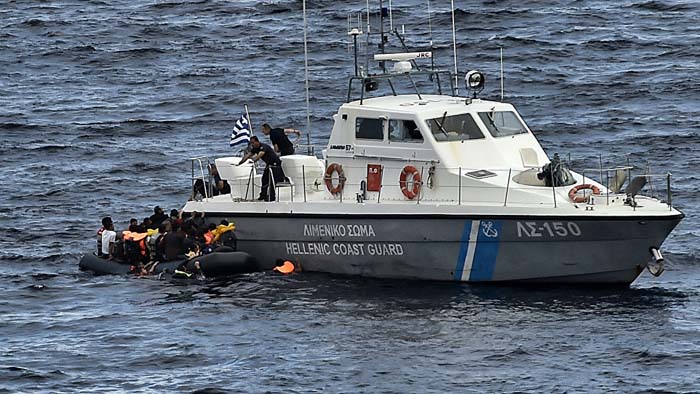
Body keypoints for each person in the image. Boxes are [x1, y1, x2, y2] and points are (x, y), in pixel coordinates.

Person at [237, 136, 287, 201]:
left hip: (275, 164)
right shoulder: (255, 148)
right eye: (251, 143)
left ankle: (272, 197)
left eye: (253, 142)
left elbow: (259, 155)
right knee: (264, 180)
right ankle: (263, 195)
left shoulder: (263, 147)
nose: (252, 144)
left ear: (257, 141)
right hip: (269, 164)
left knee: (272, 181)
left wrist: (252, 161)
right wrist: (239, 163)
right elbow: (247, 156)